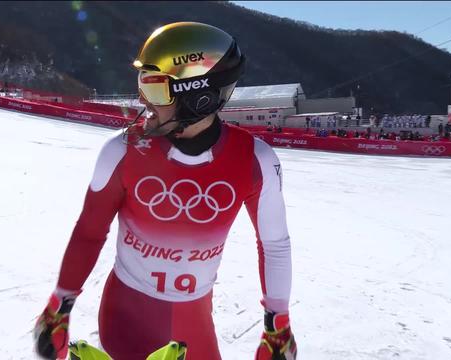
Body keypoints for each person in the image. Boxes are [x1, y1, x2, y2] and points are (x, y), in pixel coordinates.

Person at [33, 22, 296, 360]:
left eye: (156, 89)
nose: (142, 100)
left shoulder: (255, 161)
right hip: (127, 315)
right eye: (142, 84)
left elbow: (274, 244)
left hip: (193, 319)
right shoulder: (122, 150)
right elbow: (89, 231)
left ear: (198, 97)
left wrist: (278, 325)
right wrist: (59, 306)